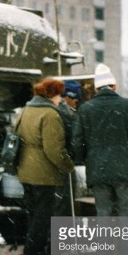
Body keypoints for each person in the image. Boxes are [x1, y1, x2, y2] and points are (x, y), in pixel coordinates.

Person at [73, 64, 128, 255]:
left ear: (97, 88)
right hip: (123, 167)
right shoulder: (127, 105)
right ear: (114, 86)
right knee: (126, 212)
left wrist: (82, 158)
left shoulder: (85, 108)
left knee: (103, 212)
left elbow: (77, 141)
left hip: (98, 168)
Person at [17, 77, 74, 255]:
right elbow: (54, 149)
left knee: (33, 212)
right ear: (52, 95)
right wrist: (68, 165)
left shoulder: (26, 109)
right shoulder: (50, 114)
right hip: (44, 172)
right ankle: (34, 252)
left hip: (26, 168)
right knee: (43, 214)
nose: (61, 99)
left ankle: (31, 248)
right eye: (59, 95)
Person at [54, 80, 81, 217]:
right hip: (63, 163)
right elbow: (72, 140)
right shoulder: (65, 114)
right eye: (75, 99)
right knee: (64, 202)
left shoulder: (56, 111)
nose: (76, 102)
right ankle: (61, 235)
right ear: (67, 97)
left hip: (56, 163)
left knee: (59, 202)